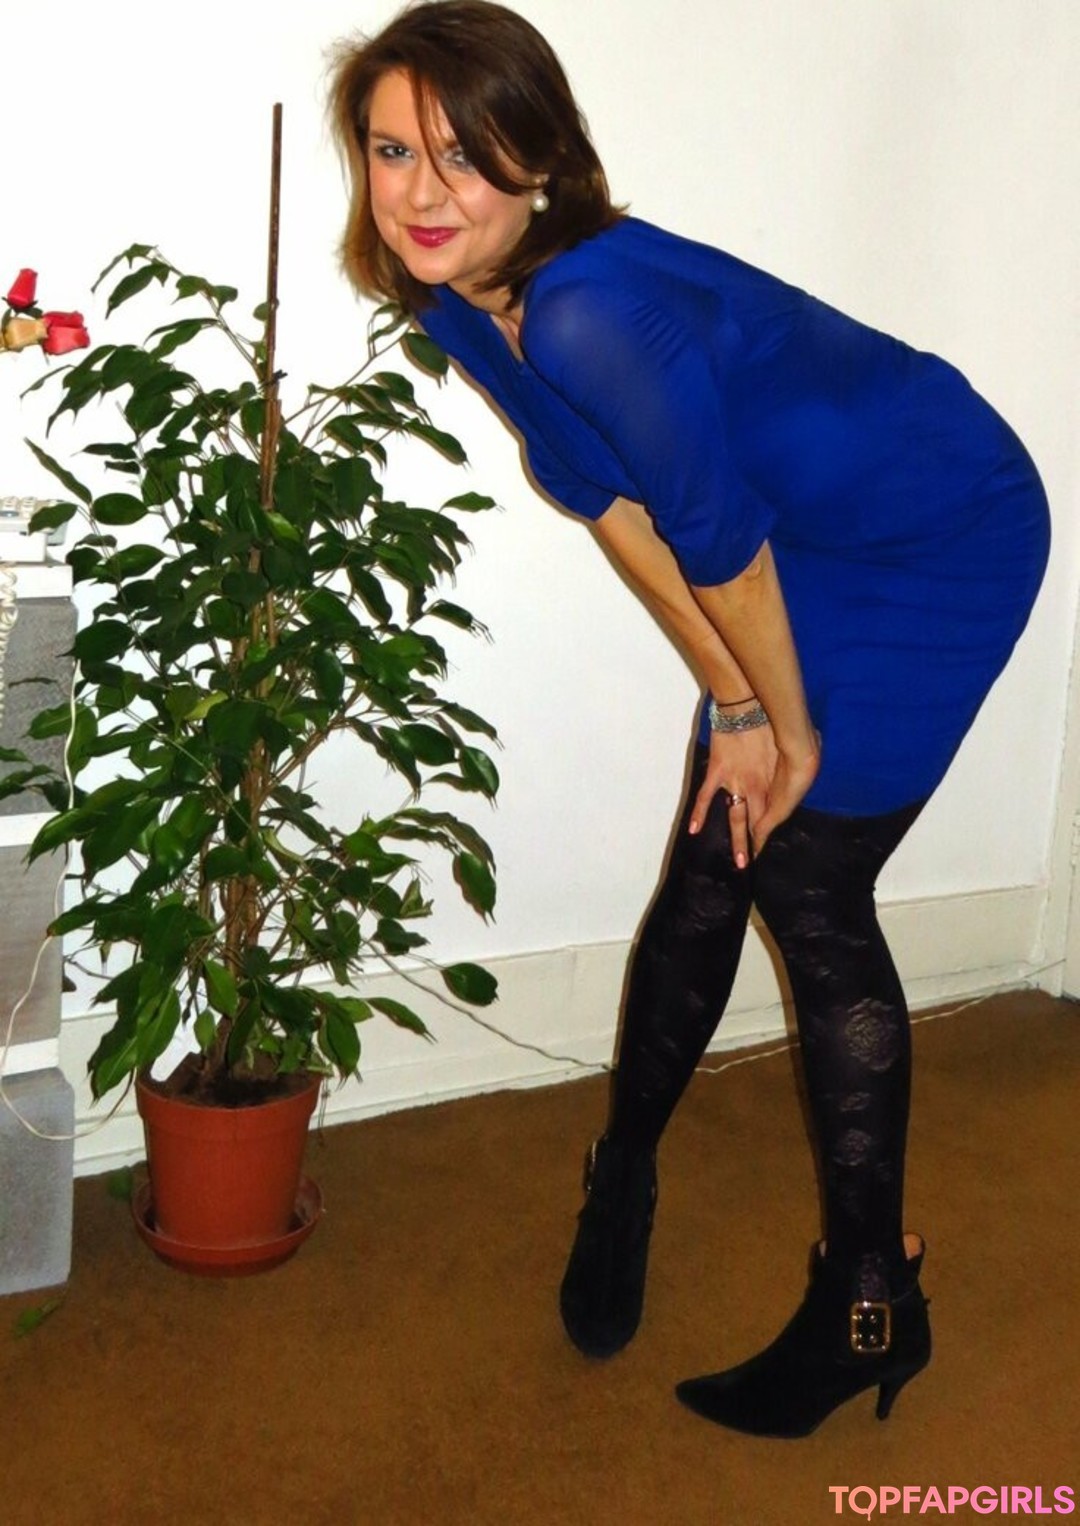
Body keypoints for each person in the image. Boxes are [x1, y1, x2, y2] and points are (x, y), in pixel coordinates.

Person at [328, 0, 1050, 1437]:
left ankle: (870, 1303)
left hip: (938, 524)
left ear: (541, 158)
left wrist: (787, 724)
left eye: (463, 153)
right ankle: (627, 1178)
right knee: (726, 828)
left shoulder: (586, 309)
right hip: (800, 527)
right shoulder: (455, 297)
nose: (420, 192)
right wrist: (737, 705)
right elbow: (613, 502)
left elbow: (718, 540)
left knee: (805, 873)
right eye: (394, 150)